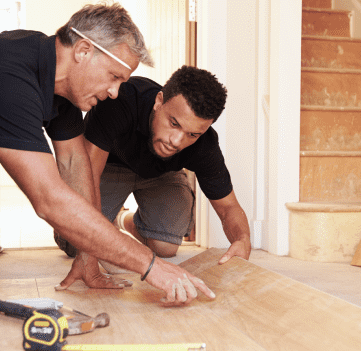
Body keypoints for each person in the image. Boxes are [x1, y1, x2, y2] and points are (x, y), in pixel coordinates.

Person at [0, 3, 215, 307]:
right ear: (82, 50)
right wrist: (151, 265)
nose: (116, 92)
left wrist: (88, 257)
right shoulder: (6, 81)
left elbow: (75, 164)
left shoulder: (58, 85)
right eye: (114, 76)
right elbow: (51, 201)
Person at [56, 66, 252, 273]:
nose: (176, 141)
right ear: (159, 101)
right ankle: (106, 223)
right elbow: (87, 178)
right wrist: (103, 246)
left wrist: (242, 239)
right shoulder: (120, 101)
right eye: (174, 123)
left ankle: (122, 219)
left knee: (165, 248)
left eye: (192, 134)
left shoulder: (204, 144)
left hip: (161, 174)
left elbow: (228, 207)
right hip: (109, 166)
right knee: (76, 243)